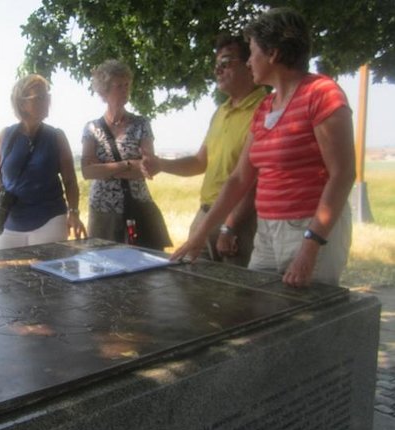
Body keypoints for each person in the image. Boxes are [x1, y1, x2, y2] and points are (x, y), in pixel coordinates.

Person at [172, 8, 355, 287]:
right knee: (257, 307)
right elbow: (239, 178)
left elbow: (342, 174)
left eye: (253, 52)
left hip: (308, 229)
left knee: (305, 319)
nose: (248, 63)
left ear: (274, 54)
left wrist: (310, 245)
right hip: (267, 230)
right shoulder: (266, 107)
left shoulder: (321, 93)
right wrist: (199, 236)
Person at [143, 35, 267, 266]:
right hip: (206, 214)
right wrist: (161, 164)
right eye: (216, 65)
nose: (218, 71)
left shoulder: (265, 110)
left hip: (241, 221)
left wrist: (230, 226)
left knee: (236, 298)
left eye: (226, 62)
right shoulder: (220, 112)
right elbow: (200, 162)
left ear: (249, 64)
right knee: (192, 288)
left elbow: (255, 179)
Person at [0, 74, 86, 249]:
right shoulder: (5, 135)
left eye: (47, 96)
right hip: (9, 221)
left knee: (48, 275)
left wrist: (74, 213)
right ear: (22, 103)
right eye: (40, 97)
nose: (47, 101)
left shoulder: (56, 136)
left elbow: (70, 180)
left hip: (50, 220)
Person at [81, 59, 171, 250]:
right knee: (102, 267)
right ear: (104, 91)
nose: (125, 90)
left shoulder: (141, 124)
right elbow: (87, 172)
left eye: (127, 85)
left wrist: (104, 169)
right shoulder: (91, 128)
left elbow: (147, 168)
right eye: (118, 86)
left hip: (137, 207)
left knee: (145, 267)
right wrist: (128, 164)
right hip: (103, 210)